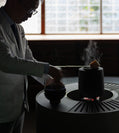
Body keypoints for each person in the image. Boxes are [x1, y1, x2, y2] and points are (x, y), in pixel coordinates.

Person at [0, 0, 64, 132]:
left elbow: (28, 60)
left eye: (33, 12)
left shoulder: (18, 28)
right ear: (14, 2)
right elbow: (6, 62)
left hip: (18, 106)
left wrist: (47, 80)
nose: (29, 16)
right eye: (29, 10)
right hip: (2, 107)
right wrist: (49, 68)